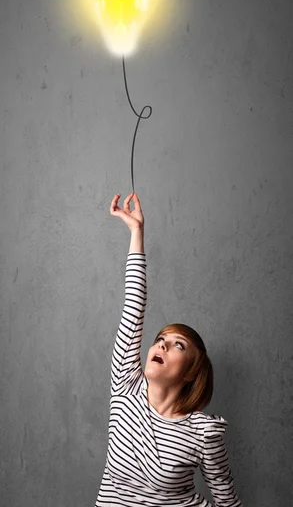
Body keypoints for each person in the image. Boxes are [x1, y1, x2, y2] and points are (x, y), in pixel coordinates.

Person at [95, 192, 243, 507]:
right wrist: (137, 233)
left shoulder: (203, 432)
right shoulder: (126, 386)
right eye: (161, 339)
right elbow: (133, 308)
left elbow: (226, 499)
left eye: (178, 345)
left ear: (191, 372)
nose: (162, 343)